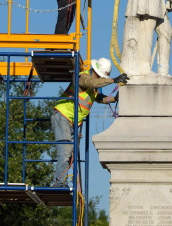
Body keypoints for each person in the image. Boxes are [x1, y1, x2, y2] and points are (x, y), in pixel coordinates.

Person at [51, 57, 129, 186]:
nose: (100, 79)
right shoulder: (82, 77)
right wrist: (113, 80)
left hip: (71, 122)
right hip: (63, 116)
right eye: (100, 76)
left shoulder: (92, 87)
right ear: (95, 72)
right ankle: (59, 183)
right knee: (65, 153)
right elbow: (91, 83)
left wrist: (114, 99)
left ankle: (60, 181)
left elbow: (99, 97)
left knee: (69, 155)